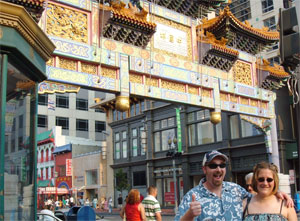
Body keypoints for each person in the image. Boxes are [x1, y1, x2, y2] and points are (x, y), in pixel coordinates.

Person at [175, 150, 294, 221]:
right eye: (213, 166)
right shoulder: (192, 196)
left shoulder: (236, 190)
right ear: (204, 169)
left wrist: (277, 192)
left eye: (222, 165)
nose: (218, 169)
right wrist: (189, 215)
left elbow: (260, 196)